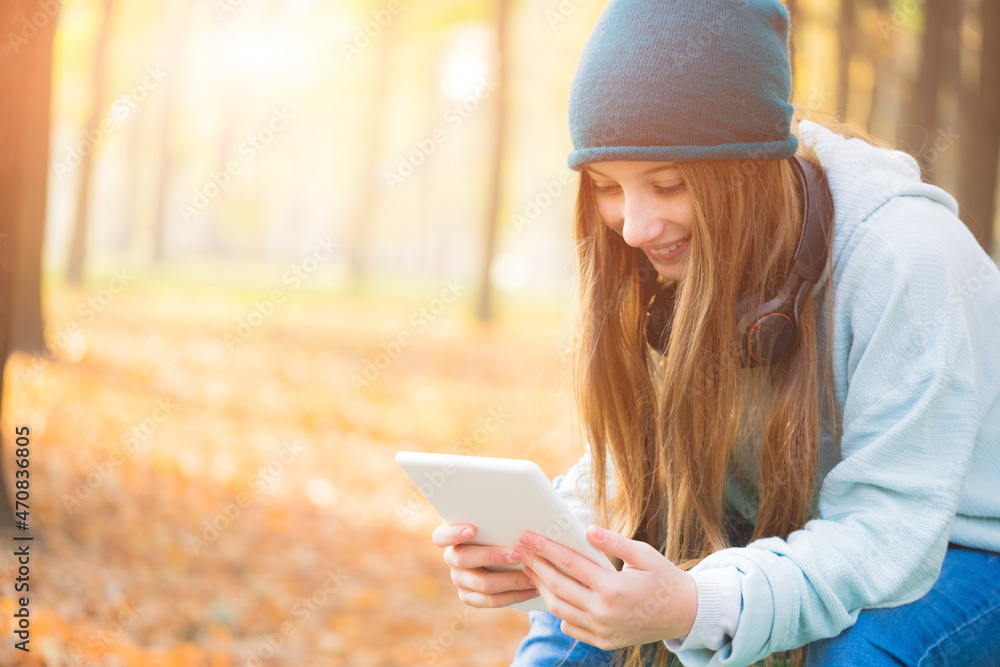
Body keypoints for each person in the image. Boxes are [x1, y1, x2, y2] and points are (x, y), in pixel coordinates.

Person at [431, 1, 1000, 665]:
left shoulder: (906, 257)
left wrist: (692, 604)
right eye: (607, 187)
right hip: (789, 529)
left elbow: (884, 536)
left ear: (750, 174)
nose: (635, 227)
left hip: (960, 549)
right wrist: (542, 550)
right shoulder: (666, 254)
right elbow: (640, 471)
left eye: (668, 185)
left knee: (856, 654)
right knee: (572, 635)